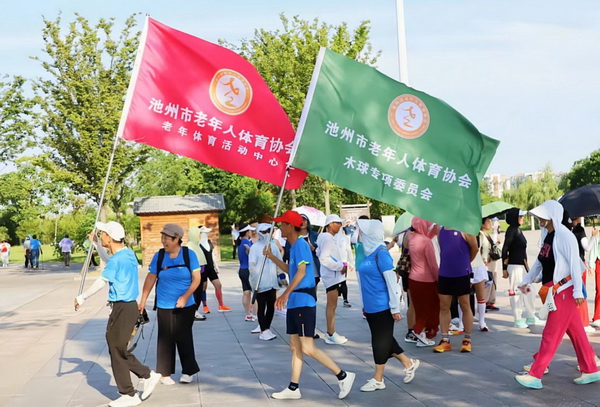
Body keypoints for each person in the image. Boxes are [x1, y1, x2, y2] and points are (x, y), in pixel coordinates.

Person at [264, 210, 355, 400]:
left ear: (290, 226)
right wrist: (272, 257)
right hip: (296, 302)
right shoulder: (293, 247)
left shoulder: (301, 246)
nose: (279, 227)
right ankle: (293, 387)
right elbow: (290, 270)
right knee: (295, 346)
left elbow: (301, 272)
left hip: (303, 301)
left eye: (282, 224)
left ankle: (343, 375)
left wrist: (285, 294)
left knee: (307, 347)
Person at [74, 221, 161, 407]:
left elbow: (101, 281)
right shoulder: (127, 254)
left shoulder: (118, 259)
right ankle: (142, 380)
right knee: (117, 348)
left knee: (116, 349)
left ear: (109, 236)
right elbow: (109, 260)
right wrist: (97, 244)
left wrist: (81, 298)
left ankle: (133, 390)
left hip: (122, 308)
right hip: (128, 307)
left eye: (102, 233)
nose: (101, 235)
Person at [515, 200, 600, 389]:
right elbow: (539, 262)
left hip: (563, 291)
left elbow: (574, 265)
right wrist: (525, 281)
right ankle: (591, 369)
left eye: (542, 216)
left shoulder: (564, 236)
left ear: (551, 215)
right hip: (555, 290)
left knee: (550, 335)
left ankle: (535, 374)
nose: (539, 219)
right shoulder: (548, 236)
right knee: (577, 333)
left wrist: (578, 290)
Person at [356, 219, 420, 391]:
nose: (359, 234)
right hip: (370, 307)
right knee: (385, 340)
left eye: (362, 231)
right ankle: (408, 364)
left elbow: (392, 282)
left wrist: (394, 308)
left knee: (379, 342)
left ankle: (378, 379)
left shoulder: (381, 253)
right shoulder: (368, 253)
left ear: (370, 234)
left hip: (382, 306)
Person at [139, 224, 201, 385]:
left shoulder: (189, 255)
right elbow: (151, 278)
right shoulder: (159, 256)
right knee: (165, 338)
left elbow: (197, 279)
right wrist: (143, 300)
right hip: (164, 304)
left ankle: (188, 371)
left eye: (166, 238)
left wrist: (186, 296)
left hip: (186, 304)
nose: (163, 241)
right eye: (162, 238)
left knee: (183, 336)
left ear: (177, 239)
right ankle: (164, 373)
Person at [432, 227, 478, 353]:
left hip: (462, 273)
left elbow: (474, 248)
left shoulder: (465, 229)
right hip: (445, 273)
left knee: (465, 304)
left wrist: (465, 262)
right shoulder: (440, 230)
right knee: (444, 306)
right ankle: (445, 339)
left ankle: (467, 339)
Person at [316, 214, 349, 345]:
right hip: (332, 276)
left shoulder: (327, 238)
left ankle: (331, 331)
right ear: (329, 224)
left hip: (334, 275)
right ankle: (330, 333)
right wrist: (339, 266)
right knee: (331, 305)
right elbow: (324, 258)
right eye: (337, 223)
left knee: (333, 305)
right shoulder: (327, 238)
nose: (339, 225)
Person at [406, 217, 439, 347]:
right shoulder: (426, 242)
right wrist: (438, 278)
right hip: (426, 280)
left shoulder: (412, 238)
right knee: (431, 308)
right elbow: (432, 265)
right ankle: (419, 331)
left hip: (413, 279)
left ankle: (421, 334)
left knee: (419, 308)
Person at [502, 208, 536, 328]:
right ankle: (517, 318)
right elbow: (505, 248)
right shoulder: (512, 230)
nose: (522, 218)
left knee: (529, 291)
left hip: (523, 265)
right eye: (520, 216)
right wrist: (504, 268)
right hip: (515, 265)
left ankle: (531, 316)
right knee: (516, 292)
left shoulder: (518, 230)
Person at [249, 223, 281, 340]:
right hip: (260, 282)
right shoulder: (255, 248)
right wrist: (254, 280)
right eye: (264, 231)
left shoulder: (274, 246)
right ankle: (263, 330)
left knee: (271, 306)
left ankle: (267, 328)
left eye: (268, 231)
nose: (266, 234)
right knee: (261, 306)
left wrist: (280, 275)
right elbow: (252, 266)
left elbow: (279, 261)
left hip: (272, 281)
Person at [196, 226, 231, 315]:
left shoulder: (208, 242)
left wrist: (216, 265)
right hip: (202, 268)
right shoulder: (197, 244)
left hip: (211, 268)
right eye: (204, 233)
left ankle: (221, 305)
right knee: (203, 287)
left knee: (218, 285)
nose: (206, 234)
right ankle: (205, 306)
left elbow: (212, 255)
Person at [186, 227, 208, 321]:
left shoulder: (197, 245)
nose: (200, 236)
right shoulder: (189, 246)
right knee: (195, 293)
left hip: (201, 272)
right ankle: (194, 312)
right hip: (195, 274)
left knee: (199, 293)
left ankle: (195, 310)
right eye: (198, 234)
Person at [238, 224, 256, 321]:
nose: (251, 232)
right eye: (250, 231)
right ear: (247, 232)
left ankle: (247, 314)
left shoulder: (240, 242)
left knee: (246, 292)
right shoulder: (247, 243)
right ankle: (254, 314)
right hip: (249, 270)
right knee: (255, 293)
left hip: (242, 270)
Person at [481, 217, 500, 311]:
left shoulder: (487, 235)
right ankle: (483, 302)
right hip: (486, 262)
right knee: (487, 282)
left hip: (492, 261)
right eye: (488, 221)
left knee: (493, 281)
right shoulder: (481, 235)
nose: (490, 223)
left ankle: (490, 301)